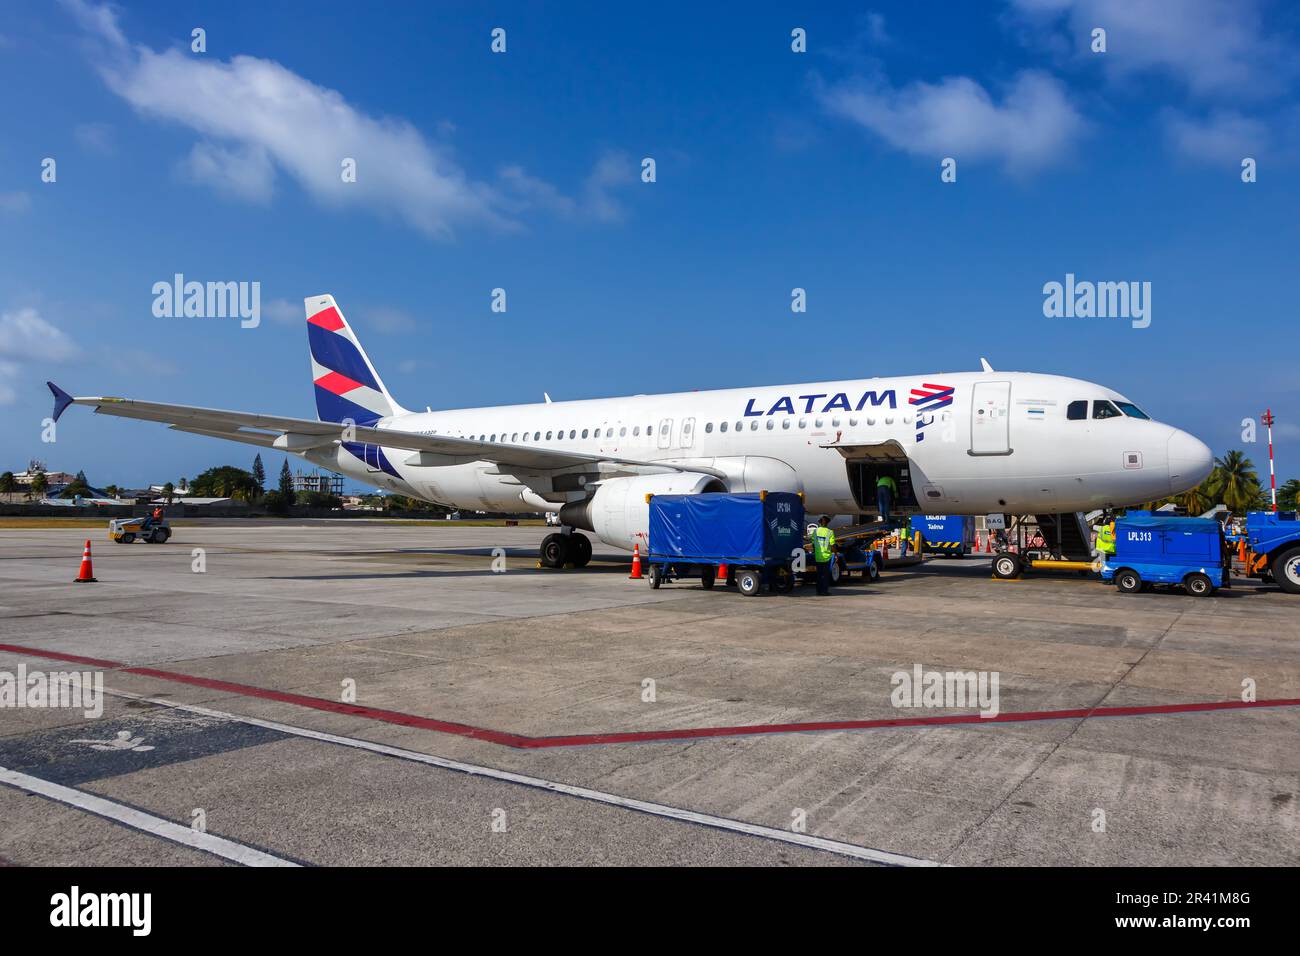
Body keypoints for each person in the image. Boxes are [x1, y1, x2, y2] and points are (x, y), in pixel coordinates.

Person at [812, 515, 836, 596]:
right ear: (827, 523)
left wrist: (815, 552)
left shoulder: (815, 532)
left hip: (818, 557)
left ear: (819, 522)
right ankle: (824, 591)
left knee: (819, 575)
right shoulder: (830, 532)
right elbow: (832, 545)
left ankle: (818, 591)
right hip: (826, 557)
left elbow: (813, 544)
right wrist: (836, 554)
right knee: (825, 576)